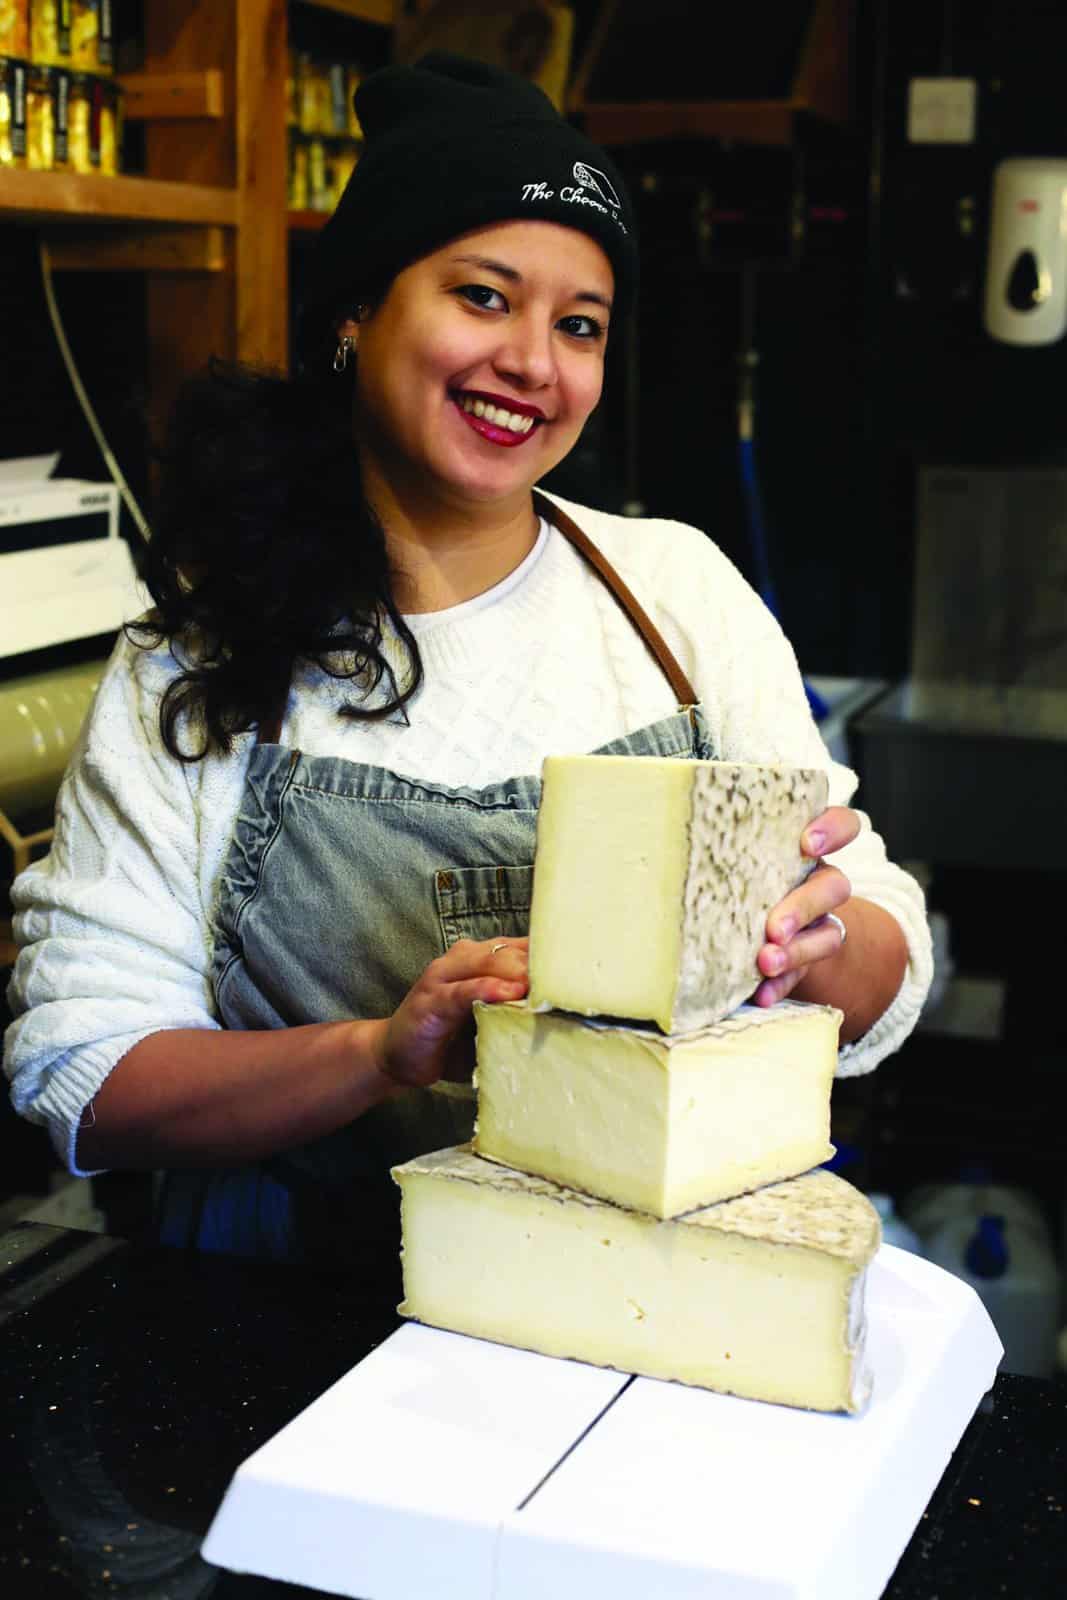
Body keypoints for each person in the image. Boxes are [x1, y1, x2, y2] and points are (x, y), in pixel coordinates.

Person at [3, 53, 931, 1266]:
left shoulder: (675, 593)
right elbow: (84, 1074)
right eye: (483, 296)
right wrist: (378, 1053)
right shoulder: (195, 663)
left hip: (645, 1286)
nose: (533, 363)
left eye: (579, 324)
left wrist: (822, 945)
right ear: (356, 310)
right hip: (281, 1303)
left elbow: (881, 950)